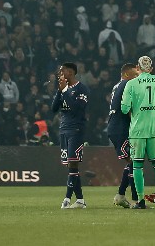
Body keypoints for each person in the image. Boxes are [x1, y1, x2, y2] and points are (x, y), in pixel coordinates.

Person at [121, 56, 155, 210]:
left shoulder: (131, 83)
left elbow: (124, 108)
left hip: (137, 130)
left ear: (138, 67)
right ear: (152, 68)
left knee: (137, 166)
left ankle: (140, 201)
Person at [52, 62, 90, 209]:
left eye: (62, 71)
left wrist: (65, 91)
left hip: (76, 129)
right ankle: (80, 200)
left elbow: (76, 109)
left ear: (71, 72)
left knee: (73, 163)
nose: (59, 73)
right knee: (70, 165)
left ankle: (67, 198)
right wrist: (59, 91)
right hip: (63, 129)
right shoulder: (63, 89)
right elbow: (54, 108)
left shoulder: (82, 89)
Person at [107, 63, 140, 208]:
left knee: (131, 162)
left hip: (115, 126)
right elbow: (127, 108)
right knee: (134, 162)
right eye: (136, 75)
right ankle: (136, 201)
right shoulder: (127, 85)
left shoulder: (117, 85)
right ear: (127, 75)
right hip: (121, 128)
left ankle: (120, 195)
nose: (138, 78)